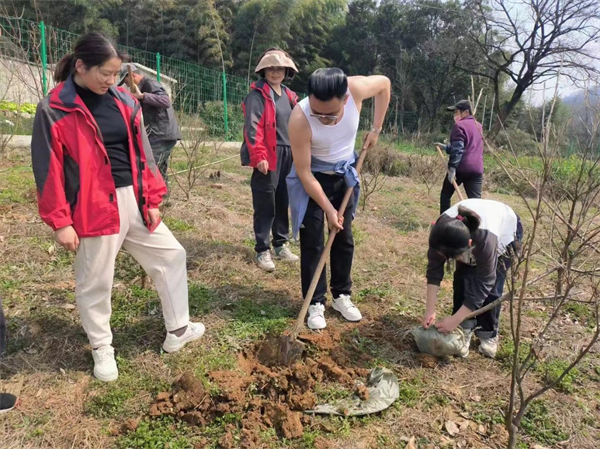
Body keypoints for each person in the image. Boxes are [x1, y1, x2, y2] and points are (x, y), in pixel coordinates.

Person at [31, 32, 204, 382]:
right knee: (96, 279)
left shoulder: (124, 101)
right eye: (105, 74)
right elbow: (46, 168)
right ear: (80, 66)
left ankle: (178, 329)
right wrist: (61, 221)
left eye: (116, 74)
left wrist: (153, 199)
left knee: (171, 255)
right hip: (92, 205)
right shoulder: (55, 108)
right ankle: (102, 347)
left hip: (135, 199)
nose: (111, 81)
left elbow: (143, 153)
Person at [288, 68, 391, 330]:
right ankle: (315, 301)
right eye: (317, 112)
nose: (322, 119)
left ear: (345, 99)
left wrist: (376, 129)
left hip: (346, 173)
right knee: (313, 238)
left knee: (343, 236)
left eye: (330, 114)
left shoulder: (355, 89)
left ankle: (341, 295)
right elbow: (304, 173)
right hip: (312, 179)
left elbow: (384, 85)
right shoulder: (300, 118)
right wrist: (328, 209)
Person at [423, 199, 523, 358]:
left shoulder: (485, 240)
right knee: (463, 280)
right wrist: (430, 310)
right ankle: (465, 327)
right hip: (469, 235)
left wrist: (454, 318)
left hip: (506, 233)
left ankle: (488, 334)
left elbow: (486, 281)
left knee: (493, 288)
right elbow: (434, 270)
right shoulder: (440, 233)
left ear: (469, 244)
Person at [240, 48, 300, 271]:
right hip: (268, 155)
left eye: (279, 68)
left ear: (286, 71)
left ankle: (280, 244)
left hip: (289, 154)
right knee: (265, 204)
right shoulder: (257, 95)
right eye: (270, 68)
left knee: (283, 200)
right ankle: (262, 249)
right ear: (263, 71)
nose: (275, 72)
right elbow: (252, 127)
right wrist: (259, 156)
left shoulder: (291, 96)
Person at [118, 63, 181, 201]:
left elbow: (165, 100)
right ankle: (164, 197)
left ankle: (153, 199)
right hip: (160, 133)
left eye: (126, 81)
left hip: (162, 134)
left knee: (151, 165)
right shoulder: (142, 88)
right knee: (160, 166)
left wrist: (142, 96)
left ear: (133, 75)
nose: (127, 85)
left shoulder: (150, 84)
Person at [435, 100, 484, 214]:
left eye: (457, 112)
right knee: (475, 201)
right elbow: (468, 146)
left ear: (466, 112)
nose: (455, 115)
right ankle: (477, 226)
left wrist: (452, 169)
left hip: (461, 167)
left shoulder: (459, 125)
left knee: (446, 194)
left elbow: (458, 150)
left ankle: (444, 221)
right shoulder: (479, 126)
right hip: (477, 169)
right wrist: (446, 147)